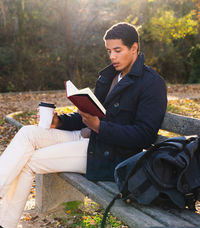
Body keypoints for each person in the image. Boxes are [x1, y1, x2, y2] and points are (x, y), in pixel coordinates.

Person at [0, 22, 167, 228]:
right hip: (86, 136)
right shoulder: (110, 76)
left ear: (134, 48)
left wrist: (99, 127)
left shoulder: (152, 83)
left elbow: (145, 135)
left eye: (117, 50)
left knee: (29, 162)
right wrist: (59, 121)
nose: (112, 57)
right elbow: (88, 113)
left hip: (108, 152)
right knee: (28, 133)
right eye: (109, 51)